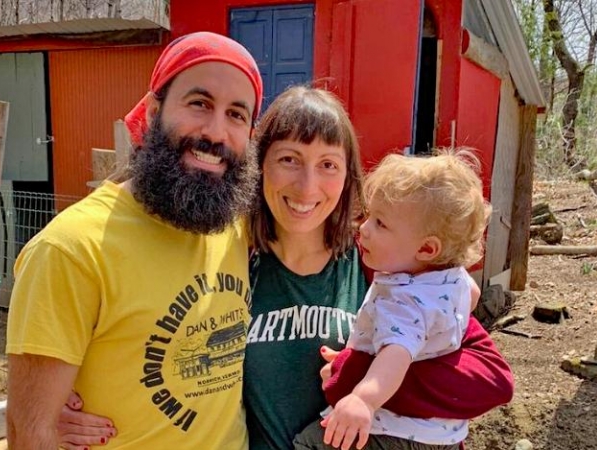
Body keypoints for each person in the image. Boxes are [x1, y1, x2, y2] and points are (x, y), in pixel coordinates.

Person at [56, 86, 514, 450]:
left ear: (348, 175)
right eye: (289, 160)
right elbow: (155, 344)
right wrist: (72, 402)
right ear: (259, 167)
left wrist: (355, 376)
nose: (307, 185)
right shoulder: (228, 258)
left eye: (328, 165)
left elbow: (491, 381)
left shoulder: (383, 265)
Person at [5, 32, 265, 449]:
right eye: (199, 103)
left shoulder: (235, 224)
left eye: (237, 114)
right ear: (153, 109)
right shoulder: (71, 250)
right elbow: (30, 431)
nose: (216, 132)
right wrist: (48, 419)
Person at [293, 151, 491, 450]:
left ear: (426, 248)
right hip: (444, 434)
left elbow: (395, 356)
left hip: (396, 431)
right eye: (370, 216)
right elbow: (471, 298)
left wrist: (362, 400)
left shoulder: (401, 300)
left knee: (308, 443)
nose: (364, 228)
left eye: (381, 224)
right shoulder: (454, 279)